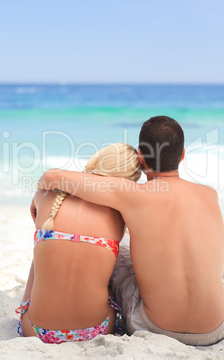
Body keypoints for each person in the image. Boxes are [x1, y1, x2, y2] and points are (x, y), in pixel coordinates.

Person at [37, 116, 224, 346]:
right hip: (215, 328)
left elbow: (51, 177)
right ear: (182, 155)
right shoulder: (209, 194)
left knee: (116, 249)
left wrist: (38, 199)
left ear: (141, 158)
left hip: (156, 328)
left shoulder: (132, 194)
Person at [16, 143, 141, 344]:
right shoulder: (120, 213)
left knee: (43, 247)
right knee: (107, 256)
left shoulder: (44, 195)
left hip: (36, 330)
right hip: (95, 330)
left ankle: (26, 306)